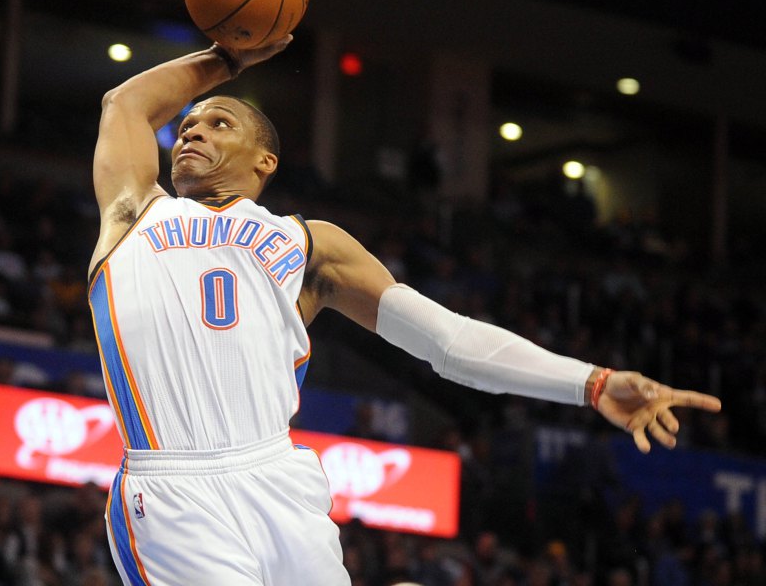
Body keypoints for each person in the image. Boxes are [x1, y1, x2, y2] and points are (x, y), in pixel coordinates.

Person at [87, 36, 723, 585]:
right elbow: (125, 104)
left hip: (278, 480)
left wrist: (592, 381)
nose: (193, 129)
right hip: (172, 488)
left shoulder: (311, 244)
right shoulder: (133, 213)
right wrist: (228, 59)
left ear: (266, 162)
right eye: (189, 123)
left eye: (220, 123)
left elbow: (446, 341)